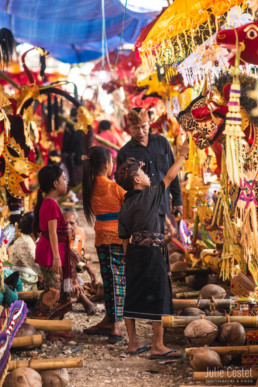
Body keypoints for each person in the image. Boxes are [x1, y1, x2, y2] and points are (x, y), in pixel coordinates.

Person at [115, 137, 189, 358]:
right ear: (138, 179)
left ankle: (133, 343)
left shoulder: (126, 205)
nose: (149, 176)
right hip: (152, 253)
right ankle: (157, 346)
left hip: (134, 254)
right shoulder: (150, 195)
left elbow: (124, 238)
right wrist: (183, 154)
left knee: (133, 294)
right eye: (144, 173)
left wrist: (129, 261)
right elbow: (170, 175)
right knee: (159, 294)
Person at [82, 146, 126, 343]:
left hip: (101, 236)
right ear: (108, 165)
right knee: (117, 279)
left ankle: (109, 318)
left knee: (108, 278)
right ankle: (115, 326)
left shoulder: (89, 188)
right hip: (117, 237)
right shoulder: (115, 188)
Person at [117, 107, 183, 234]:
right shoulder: (124, 153)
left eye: (143, 126)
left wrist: (177, 199)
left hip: (161, 204)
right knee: (145, 246)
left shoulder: (162, 143)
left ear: (149, 124)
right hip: (139, 210)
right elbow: (122, 185)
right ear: (129, 128)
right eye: (136, 128)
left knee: (159, 243)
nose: (140, 131)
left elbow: (172, 172)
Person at [32, 164, 73, 321]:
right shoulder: (51, 204)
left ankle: (53, 325)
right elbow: (52, 233)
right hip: (50, 252)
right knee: (53, 291)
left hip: (52, 250)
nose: (66, 182)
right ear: (55, 183)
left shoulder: (50, 202)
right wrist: (56, 257)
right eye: (64, 179)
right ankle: (35, 321)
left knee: (58, 289)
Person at [63, 208, 98, 315]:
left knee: (98, 288)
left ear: (77, 224)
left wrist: (87, 267)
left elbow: (76, 258)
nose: (68, 227)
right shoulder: (57, 236)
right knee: (77, 284)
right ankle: (83, 299)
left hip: (70, 275)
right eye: (65, 223)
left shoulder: (79, 235)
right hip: (55, 274)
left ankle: (74, 296)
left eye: (71, 223)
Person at [10, 212, 41, 291]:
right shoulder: (25, 243)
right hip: (22, 286)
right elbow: (39, 267)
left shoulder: (34, 239)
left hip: (30, 282)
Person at [61, 107, 84, 187]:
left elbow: (66, 141)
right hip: (82, 155)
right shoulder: (83, 124)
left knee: (73, 178)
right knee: (80, 177)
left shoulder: (70, 124)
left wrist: (64, 152)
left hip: (73, 156)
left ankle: (75, 197)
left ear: (70, 115)